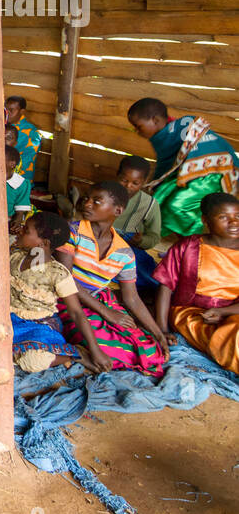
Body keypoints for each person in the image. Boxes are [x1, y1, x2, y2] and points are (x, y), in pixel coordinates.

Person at [56, 181, 169, 376]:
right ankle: (80, 352)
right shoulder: (71, 232)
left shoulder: (124, 252)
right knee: (102, 346)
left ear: (117, 210)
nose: (87, 204)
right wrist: (107, 313)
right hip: (67, 301)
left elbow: (132, 298)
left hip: (99, 301)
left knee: (150, 350)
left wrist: (159, 333)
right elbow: (66, 279)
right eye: (86, 199)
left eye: (96, 201)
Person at [128, 97, 239, 238]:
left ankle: (194, 246)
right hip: (195, 175)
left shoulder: (176, 131)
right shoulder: (166, 134)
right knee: (159, 199)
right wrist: (155, 185)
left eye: (138, 126)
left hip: (214, 173)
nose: (136, 131)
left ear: (155, 121)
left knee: (176, 207)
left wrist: (155, 182)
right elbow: (167, 165)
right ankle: (182, 246)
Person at [153, 192, 239, 374]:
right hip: (193, 313)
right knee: (233, 338)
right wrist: (161, 329)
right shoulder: (188, 246)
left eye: (237, 216)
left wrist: (222, 311)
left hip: (232, 312)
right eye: (224, 217)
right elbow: (165, 287)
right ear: (205, 220)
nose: (234, 223)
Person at [10, 213, 106, 373]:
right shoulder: (15, 255)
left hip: (38, 326)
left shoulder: (58, 274)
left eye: (26, 230)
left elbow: (76, 312)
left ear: (43, 243)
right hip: (9, 319)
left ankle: (74, 354)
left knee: (32, 361)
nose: (20, 231)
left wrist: (96, 350)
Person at [114, 154, 164, 290]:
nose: (128, 186)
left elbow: (154, 237)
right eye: (124, 180)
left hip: (128, 246)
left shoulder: (149, 204)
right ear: (117, 175)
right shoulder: (104, 193)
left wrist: (140, 241)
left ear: (144, 181)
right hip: (99, 240)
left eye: (135, 183)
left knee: (148, 273)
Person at [5, 95, 42, 181]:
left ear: (22, 111)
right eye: (5, 110)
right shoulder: (4, 125)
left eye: (11, 110)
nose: (7, 113)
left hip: (20, 179)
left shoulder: (32, 132)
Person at [5, 144, 33, 233]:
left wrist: (17, 220)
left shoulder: (21, 183)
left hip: (9, 218)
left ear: (12, 164)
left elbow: (20, 208)